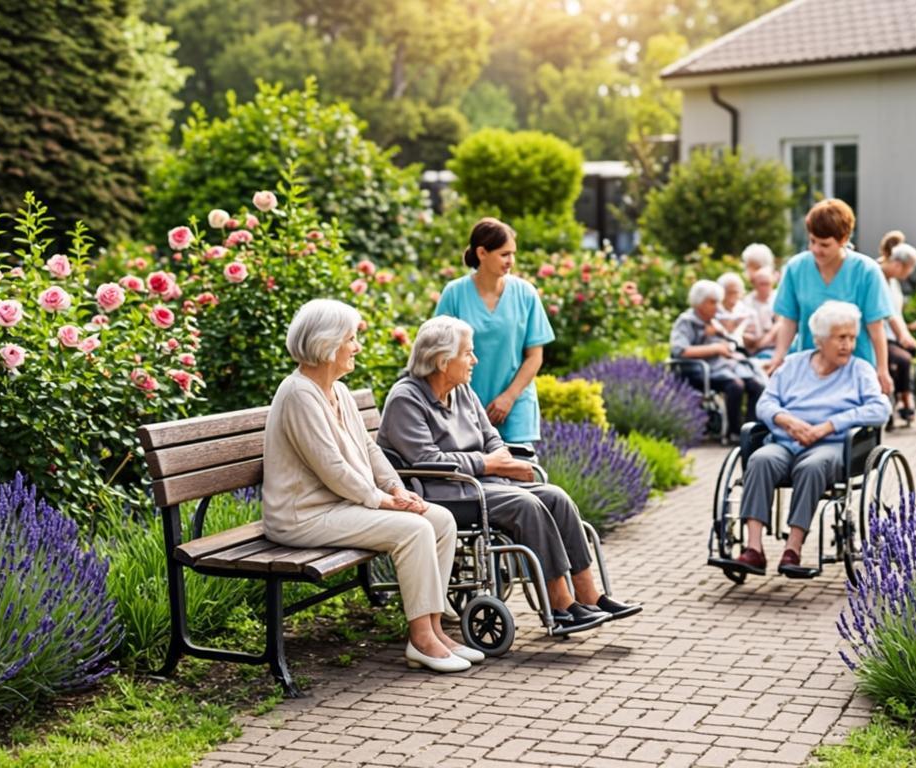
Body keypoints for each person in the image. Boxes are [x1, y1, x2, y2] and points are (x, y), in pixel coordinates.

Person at [380, 316, 641, 634]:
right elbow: (426, 459)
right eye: (467, 353)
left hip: (479, 483)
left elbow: (491, 438)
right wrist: (492, 464)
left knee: (555, 497)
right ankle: (559, 605)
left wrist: (498, 459)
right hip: (441, 491)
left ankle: (589, 595)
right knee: (525, 504)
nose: (474, 360)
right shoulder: (406, 398)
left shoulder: (461, 391)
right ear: (442, 360)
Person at [262, 300, 477, 674]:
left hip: (340, 507)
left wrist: (396, 488)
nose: (357, 346)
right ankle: (421, 639)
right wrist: (383, 502)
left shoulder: (338, 391)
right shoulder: (298, 394)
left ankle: (434, 628)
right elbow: (332, 469)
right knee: (413, 529)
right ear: (327, 344)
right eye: (351, 338)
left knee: (439, 519)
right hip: (303, 516)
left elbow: (367, 449)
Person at [730, 301, 891, 575]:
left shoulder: (860, 370)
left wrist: (829, 426)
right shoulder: (792, 365)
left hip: (831, 447)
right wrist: (787, 421)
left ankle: (792, 549)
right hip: (785, 442)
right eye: (841, 338)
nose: (848, 345)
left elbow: (880, 408)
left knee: (811, 467)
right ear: (820, 340)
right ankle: (753, 548)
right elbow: (766, 403)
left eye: (852, 338)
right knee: (759, 459)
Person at [434, 218, 554, 444]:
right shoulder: (454, 293)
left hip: (516, 406)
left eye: (513, 254)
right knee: (475, 474)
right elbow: (439, 353)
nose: (511, 261)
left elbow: (535, 356)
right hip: (465, 407)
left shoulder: (525, 293)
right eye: (504, 254)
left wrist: (508, 398)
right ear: (482, 253)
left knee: (523, 473)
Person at [763, 199, 894, 397]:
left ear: (843, 240)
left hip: (854, 367)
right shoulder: (796, 268)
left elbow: (876, 327)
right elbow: (789, 320)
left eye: (824, 244)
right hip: (809, 368)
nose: (816, 249)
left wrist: (882, 369)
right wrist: (779, 357)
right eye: (812, 241)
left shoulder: (866, 271)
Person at [671, 280, 767, 443]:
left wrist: (726, 343)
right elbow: (680, 350)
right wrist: (715, 348)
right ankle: (733, 433)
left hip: (721, 366)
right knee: (736, 386)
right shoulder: (686, 321)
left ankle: (751, 431)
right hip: (698, 370)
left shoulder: (713, 321)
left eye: (717, 302)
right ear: (699, 303)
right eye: (712, 302)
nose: (716, 307)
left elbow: (728, 344)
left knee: (756, 385)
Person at [877, 232, 916, 421]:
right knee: (903, 359)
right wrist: (903, 335)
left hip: (893, 336)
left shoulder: (894, 283)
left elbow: (897, 314)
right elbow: (886, 314)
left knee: (909, 354)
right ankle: (905, 399)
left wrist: (910, 329)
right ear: (898, 264)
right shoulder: (875, 275)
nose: (909, 274)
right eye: (909, 269)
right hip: (879, 336)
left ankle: (904, 397)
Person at [741, 266, 779, 357]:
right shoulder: (746, 301)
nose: (764, 287)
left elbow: (782, 322)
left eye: (767, 284)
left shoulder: (778, 298)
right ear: (754, 284)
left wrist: (767, 338)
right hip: (752, 346)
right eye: (761, 284)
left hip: (775, 345)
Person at [715, 272, 756, 345]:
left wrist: (738, 332)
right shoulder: (712, 310)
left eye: (735, 292)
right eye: (729, 292)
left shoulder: (748, 312)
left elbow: (755, 338)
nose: (732, 296)